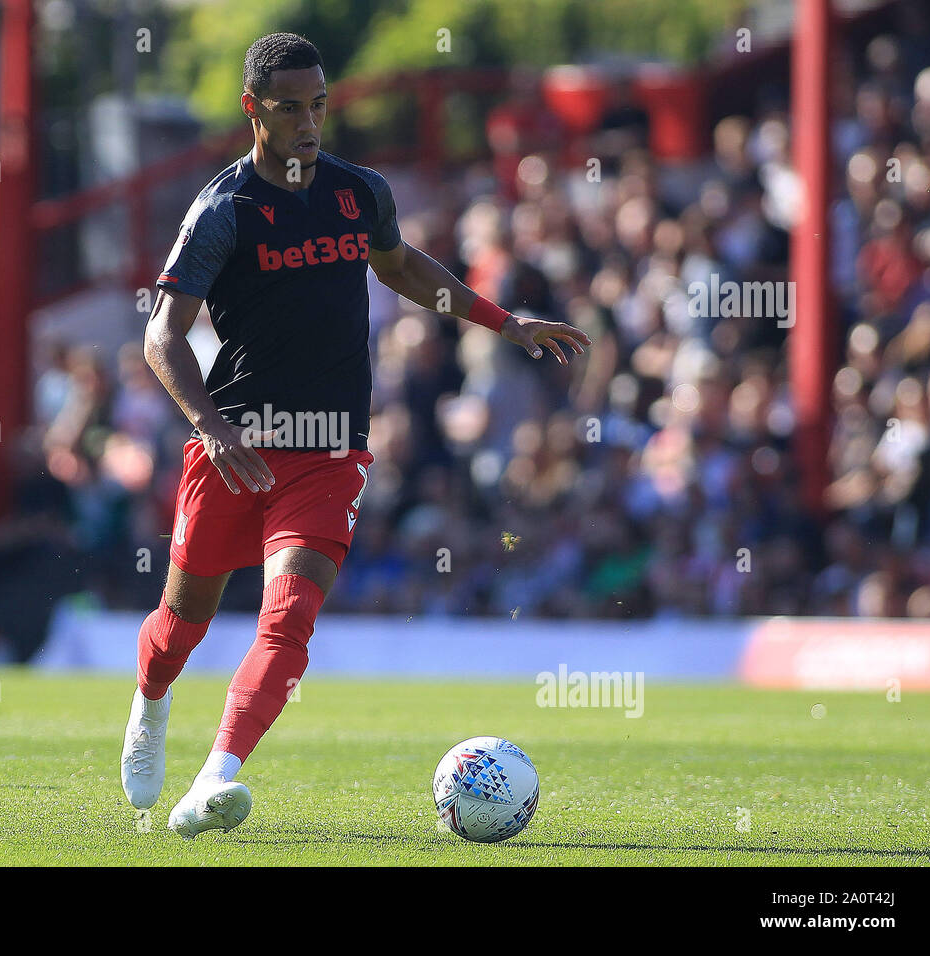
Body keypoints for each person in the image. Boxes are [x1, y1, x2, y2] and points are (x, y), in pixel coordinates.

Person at [122, 32, 590, 838]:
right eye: (290, 108)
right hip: (237, 447)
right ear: (253, 110)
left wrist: (503, 321)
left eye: (319, 105)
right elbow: (161, 337)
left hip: (332, 449)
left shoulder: (358, 192)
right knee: (182, 622)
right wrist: (210, 424)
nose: (309, 123)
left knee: (289, 618)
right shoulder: (223, 211)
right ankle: (151, 703)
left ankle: (214, 779)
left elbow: (403, 269)